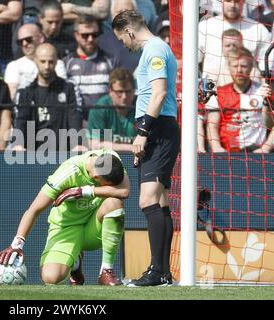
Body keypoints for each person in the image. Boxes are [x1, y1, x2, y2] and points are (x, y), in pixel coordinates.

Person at [112, 9, 179, 286]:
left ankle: (156, 271)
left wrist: (143, 132)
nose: (124, 45)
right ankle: (162, 272)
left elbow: (160, 92)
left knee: (148, 200)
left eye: (121, 39)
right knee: (159, 201)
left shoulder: (153, 50)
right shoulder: (157, 49)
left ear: (128, 31)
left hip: (158, 130)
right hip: (158, 128)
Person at [0, 149, 130, 286]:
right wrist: (17, 244)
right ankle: (75, 263)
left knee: (114, 203)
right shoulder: (68, 173)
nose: (109, 188)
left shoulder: (111, 159)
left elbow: (124, 191)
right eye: (106, 185)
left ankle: (106, 270)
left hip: (94, 227)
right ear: (96, 177)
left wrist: (83, 191)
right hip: (67, 229)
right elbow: (34, 210)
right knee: (50, 278)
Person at [206, 47, 274, 153]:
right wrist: (217, 147)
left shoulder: (264, 91)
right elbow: (212, 125)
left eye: (244, 66)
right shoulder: (219, 93)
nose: (239, 70)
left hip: (257, 152)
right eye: (235, 66)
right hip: (226, 151)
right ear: (229, 68)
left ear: (251, 67)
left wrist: (266, 148)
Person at [12, 43, 82, 151]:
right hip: (33, 152)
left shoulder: (68, 88)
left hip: (62, 152)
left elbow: (74, 117)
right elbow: (20, 119)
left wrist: (76, 143)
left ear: (57, 62)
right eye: (43, 61)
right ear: (35, 61)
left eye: (51, 62)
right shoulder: (26, 91)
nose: (47, 66)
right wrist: (18, 144)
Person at [63, 15, 114, 123]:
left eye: (94, 35)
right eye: (85, 35)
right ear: (76, 35)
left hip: (105, 122)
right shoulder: (66, 63)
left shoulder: (111, 61)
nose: (90, 39)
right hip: (77, 123)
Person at [4, 23, 67, 101]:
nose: (24, 44)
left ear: (41, 38)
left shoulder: (57, 64)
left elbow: (62, 91)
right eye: (20, 42)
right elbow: (11, 95)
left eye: (28, 40)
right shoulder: (13, 66)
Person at [87, 67, 136, 151]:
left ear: (134, 90)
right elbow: (94, 144)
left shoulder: (143, 107)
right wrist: (131, 147)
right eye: (119, 92)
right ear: (110, 91)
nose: (124, 97)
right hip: (107, 160)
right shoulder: (99, 109)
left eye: (128, 91)